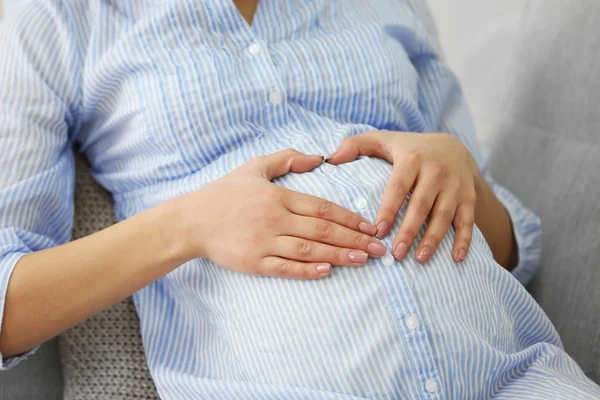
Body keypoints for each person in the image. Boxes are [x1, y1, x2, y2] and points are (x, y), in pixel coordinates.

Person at [0, 0, 598, 398]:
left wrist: (460, 170)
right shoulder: (56, 19)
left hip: (517, 377)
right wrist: (189, 224)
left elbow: (512, 247)